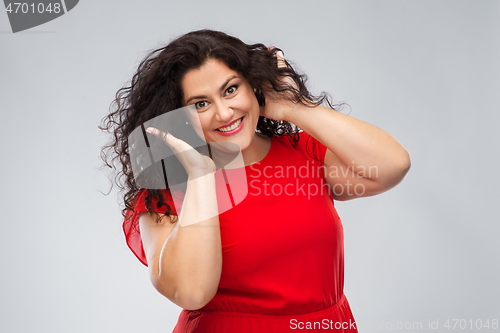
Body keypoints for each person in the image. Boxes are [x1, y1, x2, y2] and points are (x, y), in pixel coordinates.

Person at [99, 29, 411, 332]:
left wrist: (294, 106)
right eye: (200, 104)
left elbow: (392, 166)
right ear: (176, 116)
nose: (224, 112)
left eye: (231, 89)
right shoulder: (164, 195)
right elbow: (192, 292)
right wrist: (200, 176)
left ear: (253, 85)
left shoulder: (302, 154)